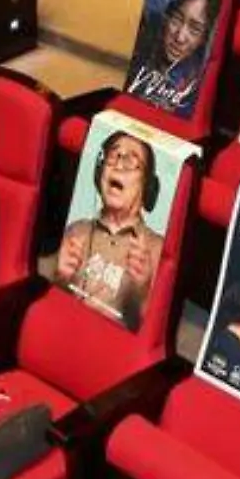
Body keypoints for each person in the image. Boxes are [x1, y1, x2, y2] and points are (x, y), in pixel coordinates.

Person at [55, 129, 166, 329]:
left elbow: (155, 331)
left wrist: (141, 293)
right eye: (113, 156)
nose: (118, 167)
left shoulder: (158, 249)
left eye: (131, 161)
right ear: (99, 172)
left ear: (147, 186)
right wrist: (61, 278)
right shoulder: (76, 231)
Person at [125, 0, 217, 116]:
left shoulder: (199, 92)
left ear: (205, 38)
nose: (180, 37)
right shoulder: (137, 54)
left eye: (195, 29)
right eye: (177, 19)